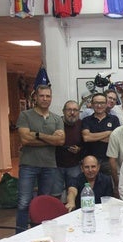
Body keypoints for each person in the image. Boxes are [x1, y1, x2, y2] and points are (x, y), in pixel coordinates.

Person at [15, 85, 65, 233]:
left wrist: (37, 135)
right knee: (24, 202)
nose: (45, 99)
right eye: (42, 96)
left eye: (48, 96)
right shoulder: (25, 116)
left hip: (49, 165)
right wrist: (51, 139)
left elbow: (60, 141)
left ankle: (38, 233)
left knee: (43, 202)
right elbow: (25, 139)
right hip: (28, 164)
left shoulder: (56, 118)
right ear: (35, 97)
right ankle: (20, 234)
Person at [81, 93, 120, 174]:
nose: (99, 106)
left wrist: (93, 136)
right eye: (96, 103)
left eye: (102, 103)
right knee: (89, 186)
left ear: (106, 104)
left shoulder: (114, 119)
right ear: (92, 104)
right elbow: (86, 138)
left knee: (108, 185)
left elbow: (115, 139)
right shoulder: (86, 120)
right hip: (90, 162)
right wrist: (108, 132)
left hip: (108, 161)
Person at [55, 100, 83, 199]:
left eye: (75, 110)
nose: (72, 113)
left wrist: (79, 149)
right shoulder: (56, 122)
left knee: (74, 193)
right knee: (55, 194)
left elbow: (85, 143)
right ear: (63, 111)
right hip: (56, 166)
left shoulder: (81, 124)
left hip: (74, 165)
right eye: (69, 110)